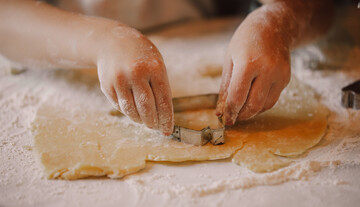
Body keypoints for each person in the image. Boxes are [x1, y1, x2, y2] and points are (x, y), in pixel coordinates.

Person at [0, 0, 334, 135]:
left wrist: (279, 19)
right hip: (57, 45)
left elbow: (323, 7)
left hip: (210, 36)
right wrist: (100, 40)